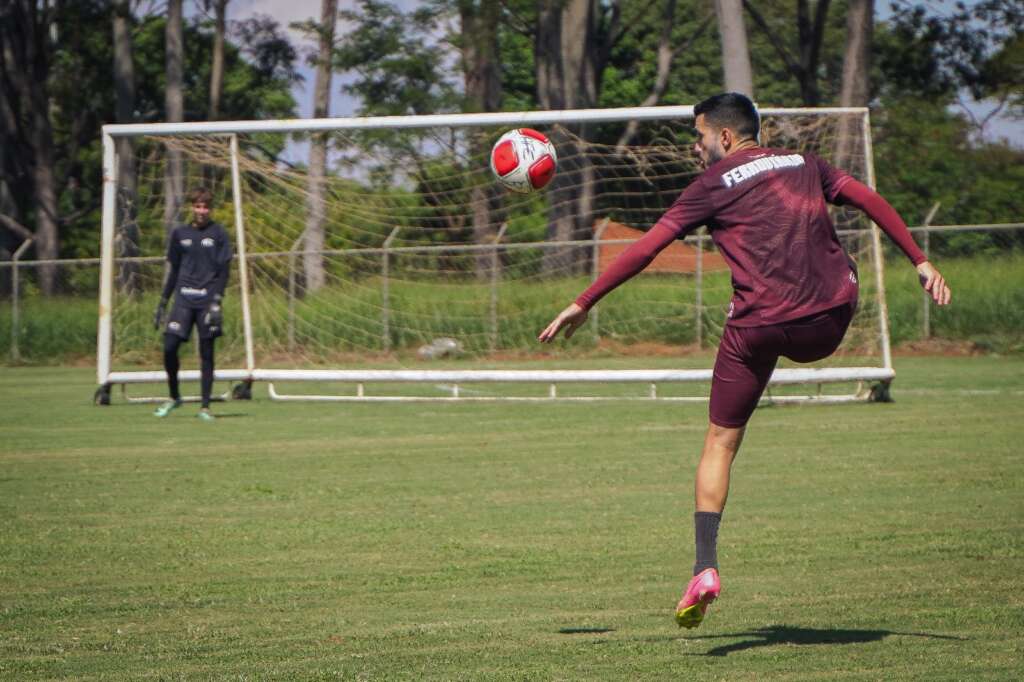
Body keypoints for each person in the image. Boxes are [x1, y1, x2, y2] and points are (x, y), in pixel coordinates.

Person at [538, 93, 951, 629]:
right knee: (837, 263)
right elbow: (869, 200)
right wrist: (919, 259)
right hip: (827, 320)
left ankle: (704, 566)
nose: (696, 146)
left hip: (757, 328)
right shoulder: (806, 163)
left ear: (725, 138)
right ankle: (832, 283)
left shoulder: (708, 187)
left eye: (700, 136)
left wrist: (583, 301)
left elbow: (646, 249)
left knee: (720, 441)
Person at [153, 187, 233, 422]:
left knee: (206, 353)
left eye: (206, 206)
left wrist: (217, 300)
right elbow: (174, 271)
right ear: (191, 207)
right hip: (183, 299)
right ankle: (174, 397)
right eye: (198, 206)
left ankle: (205, 407)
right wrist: (162, 302)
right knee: (169, 347)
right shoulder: (180, 234)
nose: (202, 211)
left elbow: (224, 271)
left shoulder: (218, 234)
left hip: (207, 300)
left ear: (211, 208)